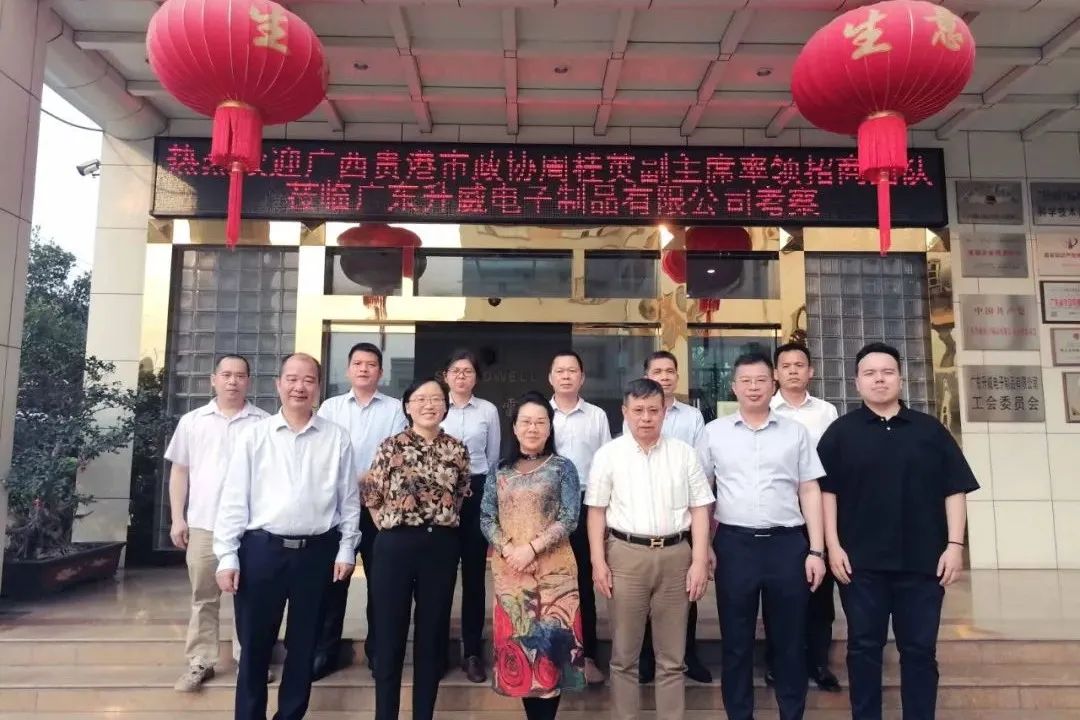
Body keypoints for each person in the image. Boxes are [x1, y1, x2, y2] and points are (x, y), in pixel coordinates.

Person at [817, 343, 979, 720]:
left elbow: (954, 489)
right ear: (857, 382)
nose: (879, 379)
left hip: (922, 564)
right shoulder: (840, 433)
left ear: (900, 379)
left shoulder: (929, 431)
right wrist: (832, 547)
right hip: (860, 566)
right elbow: (826, 494)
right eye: (870, 373)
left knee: (920, 651)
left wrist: (955, 545)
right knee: (863, 649)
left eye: (887, 372)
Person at [213, 353, 361, 720]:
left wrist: (347, 548)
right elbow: (234, 498)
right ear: (278, 384)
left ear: (318, 387)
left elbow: (348, 500)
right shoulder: (254, 435)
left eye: (308, 380)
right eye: (292, 379)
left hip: (317, 552)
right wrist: (227, 555)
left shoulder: (336, 437)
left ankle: (291, 714)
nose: (299, 387)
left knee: (305, 644)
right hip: (262, 551)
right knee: (255, 645)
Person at [698, 351, 826, 720]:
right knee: (736, 643)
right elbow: (702, 494)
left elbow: (809, 490)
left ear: (773, 385)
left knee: (790, 641)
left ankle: (792, 713)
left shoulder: (795, 432)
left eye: (761, 380)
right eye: (746, 381)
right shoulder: (714, 432)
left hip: (787, 545)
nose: (753, 387)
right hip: (734, 545)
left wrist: (816, 550)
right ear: (734, 387)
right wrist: (704, 547)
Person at [587, 378, 714, 720]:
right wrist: (598, 562)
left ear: (664, 413)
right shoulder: (609, 455)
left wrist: (699, 560)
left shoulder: (683, 453)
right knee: (624, 656)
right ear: (625, 412)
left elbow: (700, 508)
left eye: (653, 410)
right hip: (625, 555)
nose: (646, 417)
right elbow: (596, 511)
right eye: (639, 410)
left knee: (672, 658)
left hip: (676, 555)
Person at [363, 377, 472, 720]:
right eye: (421, 399)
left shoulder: (457, 449)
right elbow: (372, 497)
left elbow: (461, 495)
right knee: (389, 635)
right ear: (407, 406)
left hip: (440, 547)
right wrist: (393, 528)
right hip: (395, 546)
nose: (429, 405)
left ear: (446, 406)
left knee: (432, 635)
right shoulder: (389, 446)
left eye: (436, 399)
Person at [480, 391, 586, 720]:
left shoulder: (563, 468)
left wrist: (532, 548)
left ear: (549, 428)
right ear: (514, 428)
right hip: (512, 576)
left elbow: (569, 517)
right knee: (523, 655)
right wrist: (509, 548)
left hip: (554, 575)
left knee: (550, 654)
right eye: (526, 422)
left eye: (540, 422)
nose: (533, 428)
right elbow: (486, 517)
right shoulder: (499, 471)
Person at [166, 354, 269, 692]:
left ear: (248, 381)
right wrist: (177, 518)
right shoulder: (193, 421)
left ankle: (248, 660)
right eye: (226, 375)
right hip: (204, 524)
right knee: (203, 596)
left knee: (250, 598)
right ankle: (200, 661)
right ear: (213, 379)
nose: (232, 381)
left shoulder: (264, 423)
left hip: (251, 528)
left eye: (240, 375)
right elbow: (180, 471)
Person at [313, 342, 407, 679]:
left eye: (371, 364)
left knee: (381, 585)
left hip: (379, 510)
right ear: (348, 369)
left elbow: (397, 458)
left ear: (381, 372)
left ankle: (378, 653)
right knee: (332, 583)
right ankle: (325, 652)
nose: (364, 369)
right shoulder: (330, 407)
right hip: (337, 509)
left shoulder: (395, 409)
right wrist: (352, 479)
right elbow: (320, 453)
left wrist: (361, 479)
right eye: (358, 363)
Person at [629, 350, 711, 685]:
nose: (664, 376)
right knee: (646, 594)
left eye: (670, 371)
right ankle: (647, 656)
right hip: (646, 511)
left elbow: (703, 466)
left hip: (683, 514)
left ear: (678, 376)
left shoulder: (692, 417)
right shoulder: (637, 411)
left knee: (687, 590)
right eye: (657, 371)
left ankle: (688, 653)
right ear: (646, 375)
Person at [767, 342, 841, 693]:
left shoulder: (826, 411)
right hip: (778, 511)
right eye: (786, 365)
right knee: (779, 595)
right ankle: (777, 662)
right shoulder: (765, 409)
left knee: (820, 592)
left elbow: (835, 462)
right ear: (776, 373)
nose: (793, 370)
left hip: (818, 507)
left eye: (800, 365)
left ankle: (819, 662)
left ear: (810, 371)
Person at [548, 350, 610, 685]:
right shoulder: (541, 414)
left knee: (584, 581)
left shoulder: (597, 416)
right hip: (549, 506)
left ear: (582, 377)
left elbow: (606, 462)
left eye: (572, 370)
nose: (566, 376)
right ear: (551, 377)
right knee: (550, 582)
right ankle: (551, 657)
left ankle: (587, 657)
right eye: (560, 371)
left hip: (588, 503)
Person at [441, 349, 501, 683]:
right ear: (445, 376)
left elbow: (493, 459)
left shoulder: (488, 411)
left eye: (467, 371)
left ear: (476, 377)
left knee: (475, 577)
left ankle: (472, 653)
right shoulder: (436, 406)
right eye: (455, 370)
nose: (461, 376)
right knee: (439, 575)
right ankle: (436, 651)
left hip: (476, 490)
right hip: (440, 494)